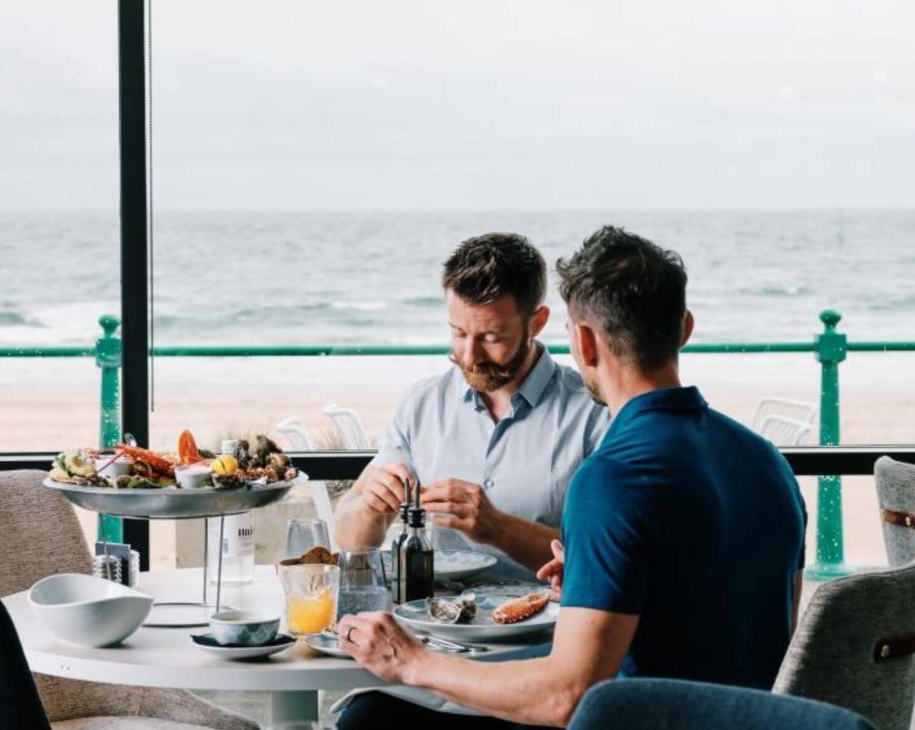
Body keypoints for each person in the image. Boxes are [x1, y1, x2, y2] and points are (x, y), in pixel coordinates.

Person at [335, 226, 807, 728]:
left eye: (491, 336)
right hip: (759, 721)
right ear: (684, 328)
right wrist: (588, 575)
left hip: (636, 721)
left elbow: (567, 697)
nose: (471, 353)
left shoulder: (611, 477)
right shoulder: (769, 462)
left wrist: (411, 662)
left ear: (581, 340)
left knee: (368, 719)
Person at [333, 233, 608, 579]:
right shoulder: (422, 404)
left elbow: (606, 557)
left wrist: (498, 529)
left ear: (536, 323)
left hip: (548, 613)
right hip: (436, 610)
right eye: (459, 333)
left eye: (491, 338)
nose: (470, 357)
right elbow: (349, 539)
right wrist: (370, 508)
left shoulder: (593, 413)